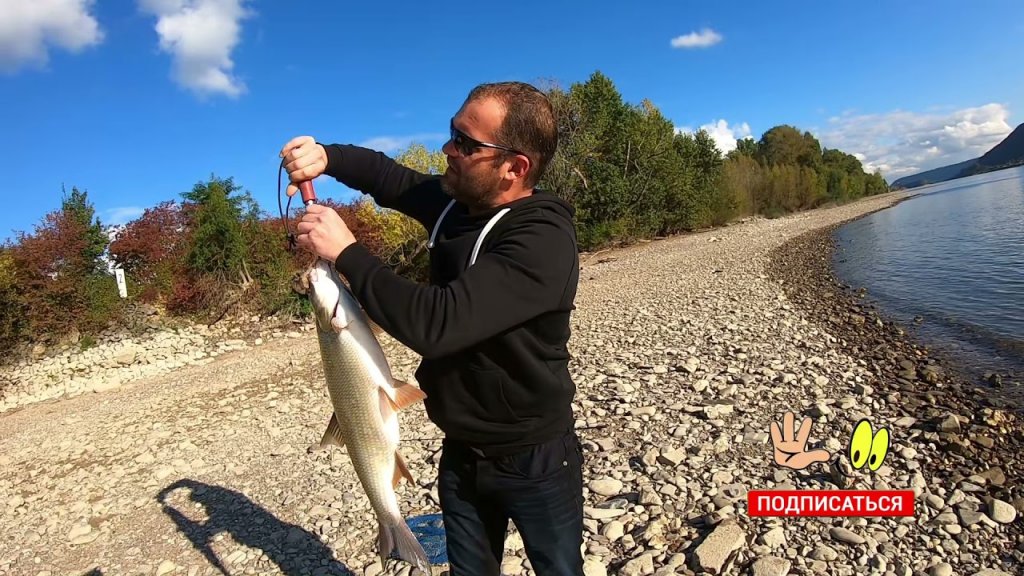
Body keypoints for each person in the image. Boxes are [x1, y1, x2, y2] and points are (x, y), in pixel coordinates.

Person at [279, 81, 584, 576]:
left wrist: (348, 253)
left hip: (537, 456)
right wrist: (325, 157)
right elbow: (386, 176)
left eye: (466, 143)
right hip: (462, 452)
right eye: (451, 134)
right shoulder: (454, 201)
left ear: (516, 166)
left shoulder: (542, 239)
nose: (448, 149)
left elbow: (438, 324)